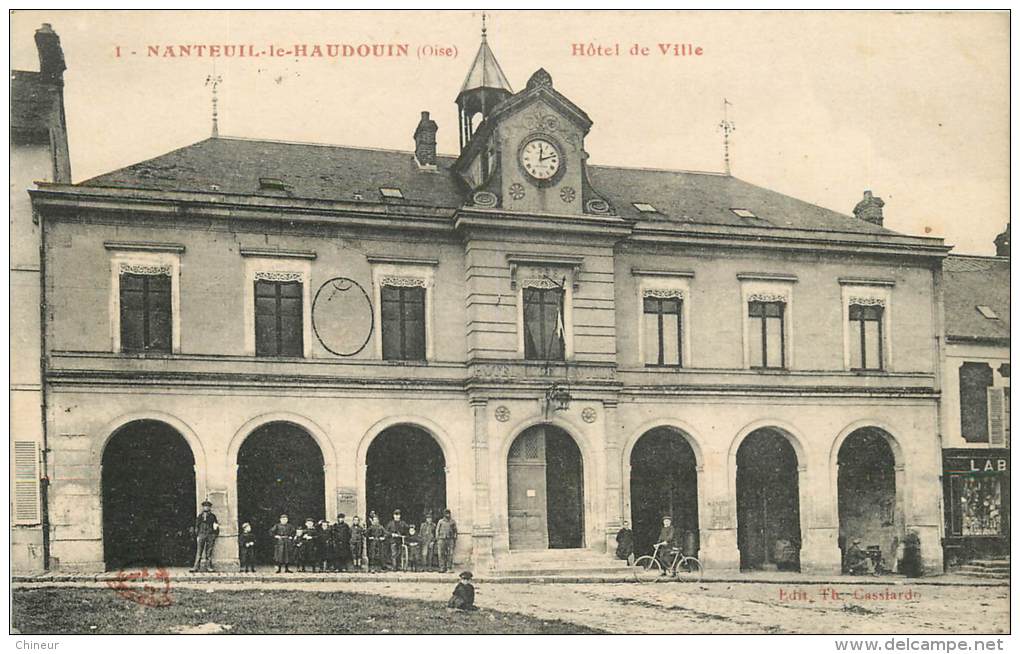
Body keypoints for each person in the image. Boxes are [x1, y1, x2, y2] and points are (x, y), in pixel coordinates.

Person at [190, 500, 219, 573]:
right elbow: (197, 526)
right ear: (203, 507)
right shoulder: (200, 516)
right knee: (199, 551)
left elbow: (216, 526)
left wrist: (214, 535)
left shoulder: (212, 516)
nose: (206, 508)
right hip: (201, 534)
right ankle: (196, 567)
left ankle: (209, 567)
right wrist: (197, 535)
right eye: (205, 506)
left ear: (210, 508)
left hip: (210, 535)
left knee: (209, 552)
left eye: (208, 506)